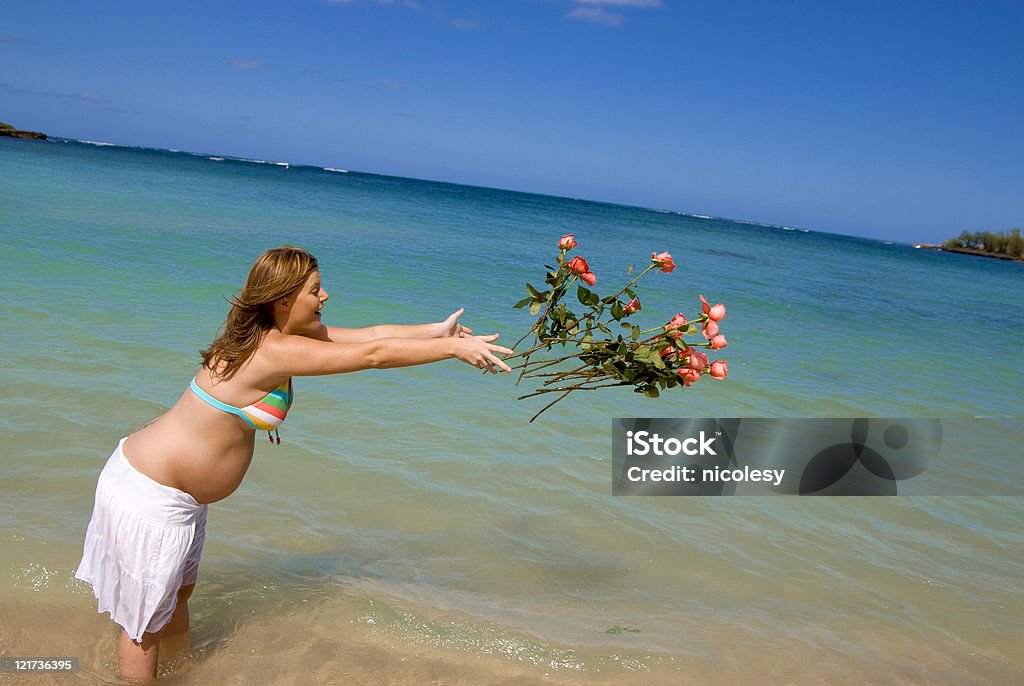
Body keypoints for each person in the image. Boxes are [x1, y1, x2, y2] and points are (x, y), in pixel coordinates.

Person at [75, 246, 512, 679]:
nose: (325, 298)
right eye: (315, 290)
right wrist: (452, 351)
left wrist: (438, 331)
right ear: (283, 299)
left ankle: (180, 673)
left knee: (177, 598)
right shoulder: (272, 350)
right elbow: (373, 357)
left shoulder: (276, 338)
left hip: (172, 491)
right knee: (143, 626)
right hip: (150, 492)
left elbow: (374, 335)